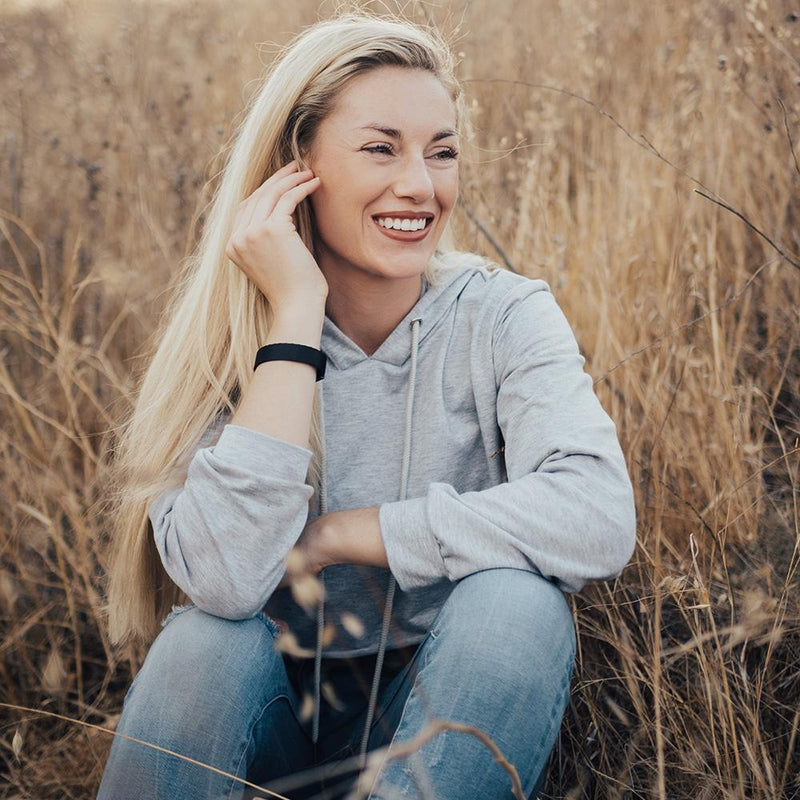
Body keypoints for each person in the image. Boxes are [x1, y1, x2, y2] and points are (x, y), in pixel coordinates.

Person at [97, 11, 636, 800]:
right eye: (380, 148)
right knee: (203, 645)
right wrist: (291, 323)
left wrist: (351, 533)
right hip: (274, 706)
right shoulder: (228, 337)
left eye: (441, 151)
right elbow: (222, 580)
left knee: (518, 606)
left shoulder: (503, 315)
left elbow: (597, 513)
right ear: (298, 167)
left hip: (445, 702)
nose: (420, 184)